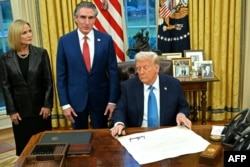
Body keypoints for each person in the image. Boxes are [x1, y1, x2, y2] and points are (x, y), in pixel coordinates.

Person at [56, 1, 120, 129]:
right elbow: (61, 76)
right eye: (83, 17)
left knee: (102, 139)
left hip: (101, 99)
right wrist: (65, 104)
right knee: (80, 142)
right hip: (75, 101)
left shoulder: (106, 40)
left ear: (95, 19)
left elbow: (113, 73)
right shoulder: (64, 41)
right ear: (75, 18)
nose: (86, 22)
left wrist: (112, 101)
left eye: (91, 18)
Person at [0, 19, 53, 155]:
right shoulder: (5, 58)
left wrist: (47, 105)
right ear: (16, 36)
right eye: (24, 32)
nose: (29, 35)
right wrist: (12, 111)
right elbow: (6, 86)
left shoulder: (41, 53)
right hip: (20, 111)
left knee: (45, 147)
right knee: (25, 149)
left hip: (40, 109)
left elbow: (48, 81)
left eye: (29, 31)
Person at [110, 51, 192, 138]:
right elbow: (120, 110)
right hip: (138, 135)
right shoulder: (128, 86)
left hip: (167, 134)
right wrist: (119, 123)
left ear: (156, 68)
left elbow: (184, 106)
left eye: (145, 67)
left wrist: (181, 115)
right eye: (138, 68)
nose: (141, 72)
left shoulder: (173, 84)